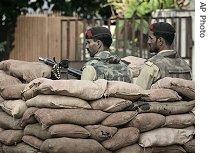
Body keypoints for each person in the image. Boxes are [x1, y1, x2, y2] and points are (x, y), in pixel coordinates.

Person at [136, 22, 192, 89]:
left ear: (160, 41)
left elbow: (138, 92)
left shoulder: (152, 66)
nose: (148, 42)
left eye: (151, 38)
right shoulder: (185, 65)